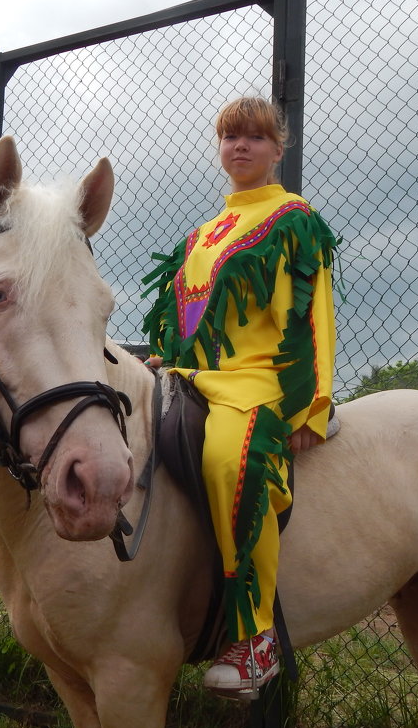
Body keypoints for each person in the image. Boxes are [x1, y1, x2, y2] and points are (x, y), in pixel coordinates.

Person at [142, 97, 339, 696]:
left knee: (231, 461)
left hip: (256, 380)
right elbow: (183, 315)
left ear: (279, 150)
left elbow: (312, 320)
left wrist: (309, 409)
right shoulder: (201, 235)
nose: (241, 147)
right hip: (190, 375)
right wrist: (166, 359)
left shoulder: (294, 217)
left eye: (254, 137)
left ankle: (255, 639)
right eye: (230, 137)